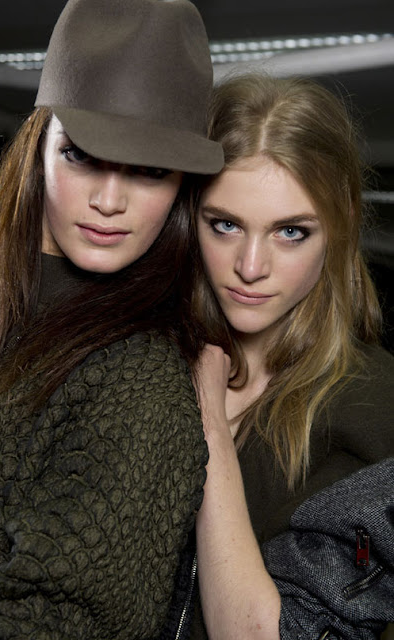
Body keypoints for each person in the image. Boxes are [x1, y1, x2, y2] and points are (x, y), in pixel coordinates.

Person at [0, 0, 224, 638]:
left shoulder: (139, 381)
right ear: (38, 149)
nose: (109, 201)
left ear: (181, 187)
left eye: (149, 171)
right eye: (82, 156)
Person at [188, 73, 394, 639]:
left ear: (342, 221)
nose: (250, 267)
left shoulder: (377, 411)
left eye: (290, 232)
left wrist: (208, 423)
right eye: (224, 225)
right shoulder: (138, 363)